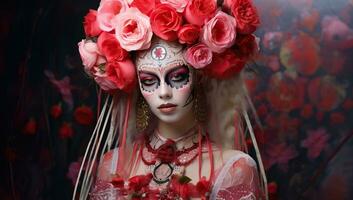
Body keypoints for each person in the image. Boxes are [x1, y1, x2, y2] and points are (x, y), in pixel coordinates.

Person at [76, 0, 267, 199]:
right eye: (149, 81)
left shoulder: (233, 169)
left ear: (198, 76)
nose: (164, 92)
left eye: (177, 77)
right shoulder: (112, 164)